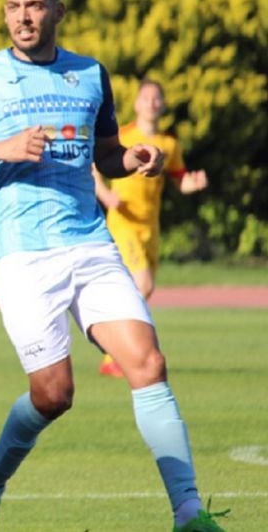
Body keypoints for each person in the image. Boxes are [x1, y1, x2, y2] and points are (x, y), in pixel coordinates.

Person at [0, 0, 227, 532]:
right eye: (13, 6)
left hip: (90, 242)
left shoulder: (90, 75)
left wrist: (134, 160)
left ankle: (188, 513)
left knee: (148, 364)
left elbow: (107, 154)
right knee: (54, 393)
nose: (23, 18)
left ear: (58, 11)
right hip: (22, 253)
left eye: (35, 6)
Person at [92, 79, 209, 377]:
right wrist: (106, 196)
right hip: (124, 223)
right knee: (142, 286)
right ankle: (114, 354)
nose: (152, 103)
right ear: (136, 104)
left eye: (157, 99)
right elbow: (95, 167)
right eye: (146, 98)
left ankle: (115, 349)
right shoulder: (123, 135)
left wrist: (191, 184)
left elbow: (178, 178)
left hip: (150, 226)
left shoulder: (169, 144)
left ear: (164, 104)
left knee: (144, 289)